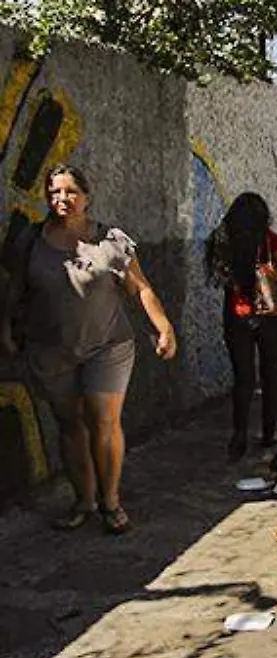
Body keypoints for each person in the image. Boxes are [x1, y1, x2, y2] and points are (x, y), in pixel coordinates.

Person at [0, 165, 176, 534]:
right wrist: (6, 328)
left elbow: (141, 288)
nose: (61, 199)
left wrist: (163, 327)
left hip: (108, 346)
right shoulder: (31, 239)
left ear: (87, 196)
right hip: (51, 349)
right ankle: (83, 500)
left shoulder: (110, 241)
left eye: (70, 192)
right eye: (54, 193)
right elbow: (15, 288)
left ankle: (111, 503)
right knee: (70, 426)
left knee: (103, 420)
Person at [204, 192, 277, 462]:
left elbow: (217, 277)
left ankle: (239, 435)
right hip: (267, 315)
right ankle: (268, 433)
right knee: (270, 374)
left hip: (235, 314)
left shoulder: (221, 238)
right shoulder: (268, 239)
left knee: (243, 378)